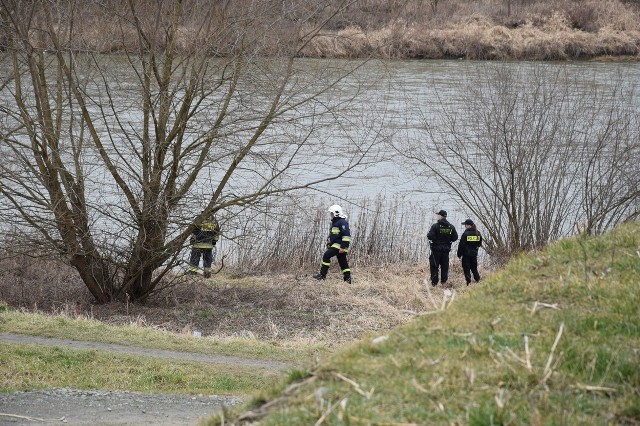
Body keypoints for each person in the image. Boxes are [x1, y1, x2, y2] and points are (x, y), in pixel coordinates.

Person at [313, 204, 352, 284]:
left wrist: (343, 247)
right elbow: (334, 235)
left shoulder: (342, 222)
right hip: (336, 245)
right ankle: (348, 279)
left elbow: (346, 236)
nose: (331, 215)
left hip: (339, 246)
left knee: (326, 255)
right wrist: (329, 243)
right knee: (343, 262)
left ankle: (322, 275)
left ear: (336, 213)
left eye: (332, 213)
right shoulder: (335, 222)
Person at [427, 209, 458, 287]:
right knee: (444, 266)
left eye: (438, 215)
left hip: (436, 250)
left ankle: (434, 283)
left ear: (441, 216)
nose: (437, 216)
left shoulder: (435, 226)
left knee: (434, 266)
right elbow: (455, 238)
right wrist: (448, 239)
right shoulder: (451, 227)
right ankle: (443, 282)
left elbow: (430, 236)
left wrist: (435, 238)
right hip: (446, 250)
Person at [188, 213, 221, 278]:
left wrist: (192, 239)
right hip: (207, 245)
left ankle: (192, 274)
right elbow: (217, 232)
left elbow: (193, 230)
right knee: (207, 260)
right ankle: (207, 275)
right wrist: (214, 240)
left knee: (194, 259)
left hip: (197, 244)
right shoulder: (214, 221)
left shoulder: (199, 219)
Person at [457, 219, 482, 286]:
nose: (465, 226)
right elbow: (479, 244)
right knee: (474, 268)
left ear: (468, 225)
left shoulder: (465, 234)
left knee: (466, 269)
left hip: (466, 255)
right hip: (474, 254)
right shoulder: (478, 233)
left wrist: (459, 254)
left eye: (465, 225)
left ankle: (468, 283)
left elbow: (461, 246)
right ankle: (478, 280)